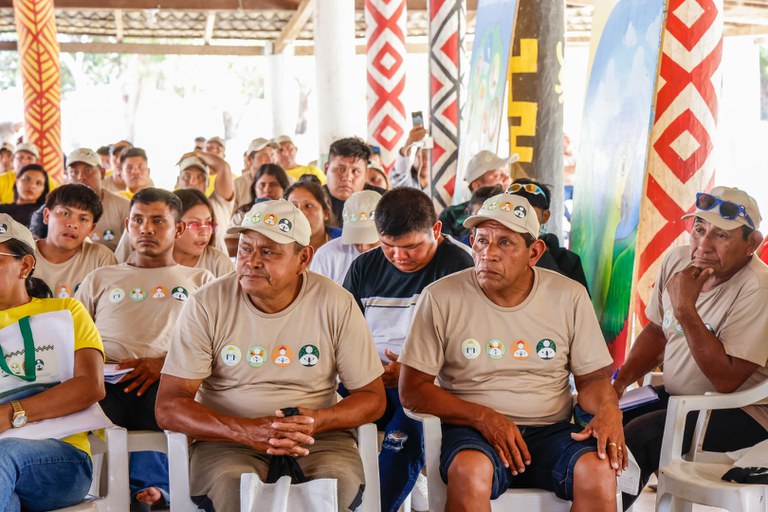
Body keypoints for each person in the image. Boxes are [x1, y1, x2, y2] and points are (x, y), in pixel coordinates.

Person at [399, 192, 626, 511]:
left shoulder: (568, 296)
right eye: (481, 241)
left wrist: (608, 409)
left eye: (505, 243)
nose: (488, 254)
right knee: (469, 471)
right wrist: (483, 417)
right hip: (473, 432)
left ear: (534, 251)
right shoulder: (440, 297)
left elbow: (590, 382)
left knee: (601, 470)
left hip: (550, 430)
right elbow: (412, 390)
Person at [155, 199, 386, 512]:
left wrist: (317, 421)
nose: (251, 261)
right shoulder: (206, 303)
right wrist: (243, 430)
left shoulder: (335, 303)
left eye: (268, 251)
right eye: (245, 248)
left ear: (303, 258)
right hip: (227, 442)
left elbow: (372, 397)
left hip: (319, 440)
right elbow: (169, 406)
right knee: (235, 488)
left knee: (336, 483)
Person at [613, 186, 768, 509]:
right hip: (680, 400)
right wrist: (618, 384)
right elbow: (656, 333)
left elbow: (727, 380)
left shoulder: (759, 287)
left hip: (743, 412)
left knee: (641, 436)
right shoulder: (678, 260)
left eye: (721, 236)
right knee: (599, 421)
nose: (704, 245)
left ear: (752, 244)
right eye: (699, 229)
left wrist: (685, 308)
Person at [76, 188, 214, 509]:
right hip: (105, 386)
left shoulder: (200, 280)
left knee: (179, 405)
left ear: (178, 229)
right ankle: (99, 491)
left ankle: (155, 490)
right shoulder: (100, 278)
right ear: (127, 225)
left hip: (172, 384)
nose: (146, 229)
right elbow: (75, 340)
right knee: (72, 408)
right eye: (137, 220)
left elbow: (217, 343)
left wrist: (165, 363)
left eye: (157, 221)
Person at [343, 187, 474, 512]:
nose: (399, 256)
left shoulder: (461, 268)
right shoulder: (365, 267)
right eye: (388, 246)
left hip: (428, 386)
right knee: (311, 416)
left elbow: (469, 347)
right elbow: (341, 335)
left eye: (411, 247)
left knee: (406, 429)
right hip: (368, 380)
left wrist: (416, 371)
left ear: (437, 230)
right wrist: (363, 370)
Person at [0, 214, 106, 511]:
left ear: (24, 265)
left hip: (61, 456)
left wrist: (10, 414)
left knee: (4, 455)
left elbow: (90, 387)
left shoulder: (65, 310)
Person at [507, 178, 589, 293]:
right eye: (512, 209)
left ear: (545, 216)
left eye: (528, 211)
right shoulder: (489, 252)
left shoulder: (567, 261)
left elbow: (579, 306)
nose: (520, 216)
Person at [34, 184, 116, 298]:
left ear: (91, 229)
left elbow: (108, 308)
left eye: (83, 219)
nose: (72, 224)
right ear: (47, 216)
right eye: (65, 213)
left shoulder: (100, 258)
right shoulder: (21, 255)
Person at [439, 150, 518, 238]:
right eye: (498, 175)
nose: (507, 178)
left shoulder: (518, 212)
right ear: (477, 186)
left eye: (506, 172)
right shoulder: (451, 216)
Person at [64, 147, 130, 252]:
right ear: (66, 176)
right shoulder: (59, 209)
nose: (81, 177)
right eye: (74, 172)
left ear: (102, 173)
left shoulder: (123, 207)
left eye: (88, 170)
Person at [310, 190, 381, 285]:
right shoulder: (326, 256)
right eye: (356, 239)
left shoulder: (399, 256)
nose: (363, 247)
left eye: (371, 240)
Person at [175, 152, 235, 254]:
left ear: (208, 183)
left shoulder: (218, 203)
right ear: (178, 180)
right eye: (187, 176)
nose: (193, 182)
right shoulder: (171, 208)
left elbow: (223, 167)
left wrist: (198, 154)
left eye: (200, 177)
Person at [226, 164, 291, 256]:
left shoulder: (290, 215)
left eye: (273, 185)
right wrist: (256, 242)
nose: (267, 190)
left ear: (284, 189)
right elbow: (227, 247)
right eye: (262, 185)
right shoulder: (244, 214)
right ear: (254, 189)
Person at [172, 188, 233, 278]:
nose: (204, 232)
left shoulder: (219, 263)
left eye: (208, 223)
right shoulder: (149, 262)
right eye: (194, 224)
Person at [324, 137, 384, 227]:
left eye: (355, 171)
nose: (347, 177)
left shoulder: (383, 201)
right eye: (341, 169)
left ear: (366, 174)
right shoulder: (310, 200)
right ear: (326, 169)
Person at [284, 180, 339, 253]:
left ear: (325, 213)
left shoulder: (346, 242)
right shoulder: (278, 245)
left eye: (308, 206)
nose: (300, 213)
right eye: (294, 207)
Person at [233, 138, 279, 210]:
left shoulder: (288, 181)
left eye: (272, 155)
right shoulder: (237, 184)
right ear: (250, 159)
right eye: (264, 155)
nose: (270, 160)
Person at [389, 126, 430, 190]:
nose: (425, 161)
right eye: (422, 157)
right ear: (414, 158)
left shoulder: (439, 185)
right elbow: (400, 174)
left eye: (430, 158)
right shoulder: (406, 181)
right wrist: (409, 143)